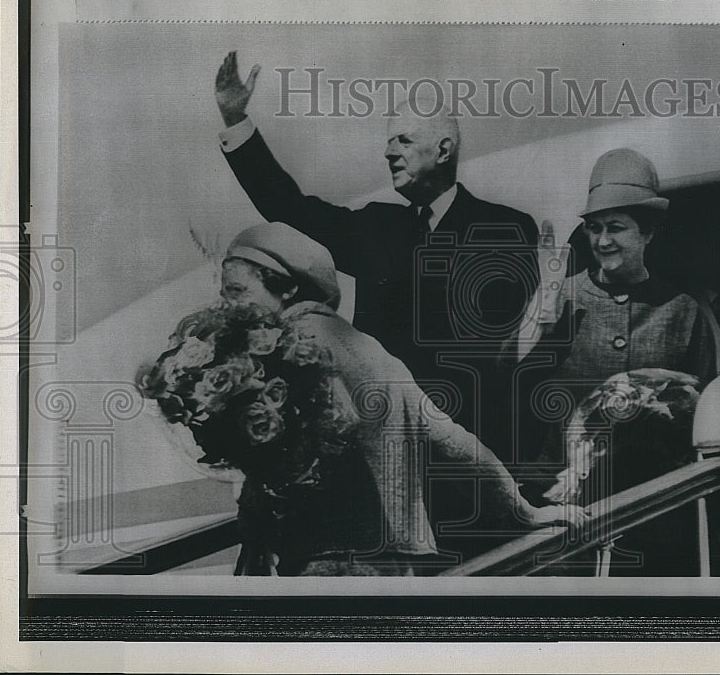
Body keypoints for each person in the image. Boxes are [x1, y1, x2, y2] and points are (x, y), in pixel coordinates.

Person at [140, 222, 583, 576]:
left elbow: (281, 466)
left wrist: (256, 535)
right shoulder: (366, 346)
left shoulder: (287, 351)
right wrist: (522, 511)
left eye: (236, 290)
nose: (226, 304)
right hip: (395, 561)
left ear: (287, 287)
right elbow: (450, 438)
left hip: (327, 563)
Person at [213, 52, 539, 465]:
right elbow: (290, 208)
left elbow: (487, 338)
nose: (389, 152)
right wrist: (235, 121)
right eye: (388, 141)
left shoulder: (505, 228)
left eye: (403, 140)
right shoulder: (376, 227)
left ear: (443, 150)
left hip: (470, 445)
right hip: (380, 441)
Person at [513, 149, 718, 575]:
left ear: (648, 233)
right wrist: (535, 321)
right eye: (593, 228)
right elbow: (507, 387)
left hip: (652, 512)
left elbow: (700, 414)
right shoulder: (561, 297)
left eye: (616, 228)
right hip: (562, 511)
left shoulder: (681, 311)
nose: (601, 241)